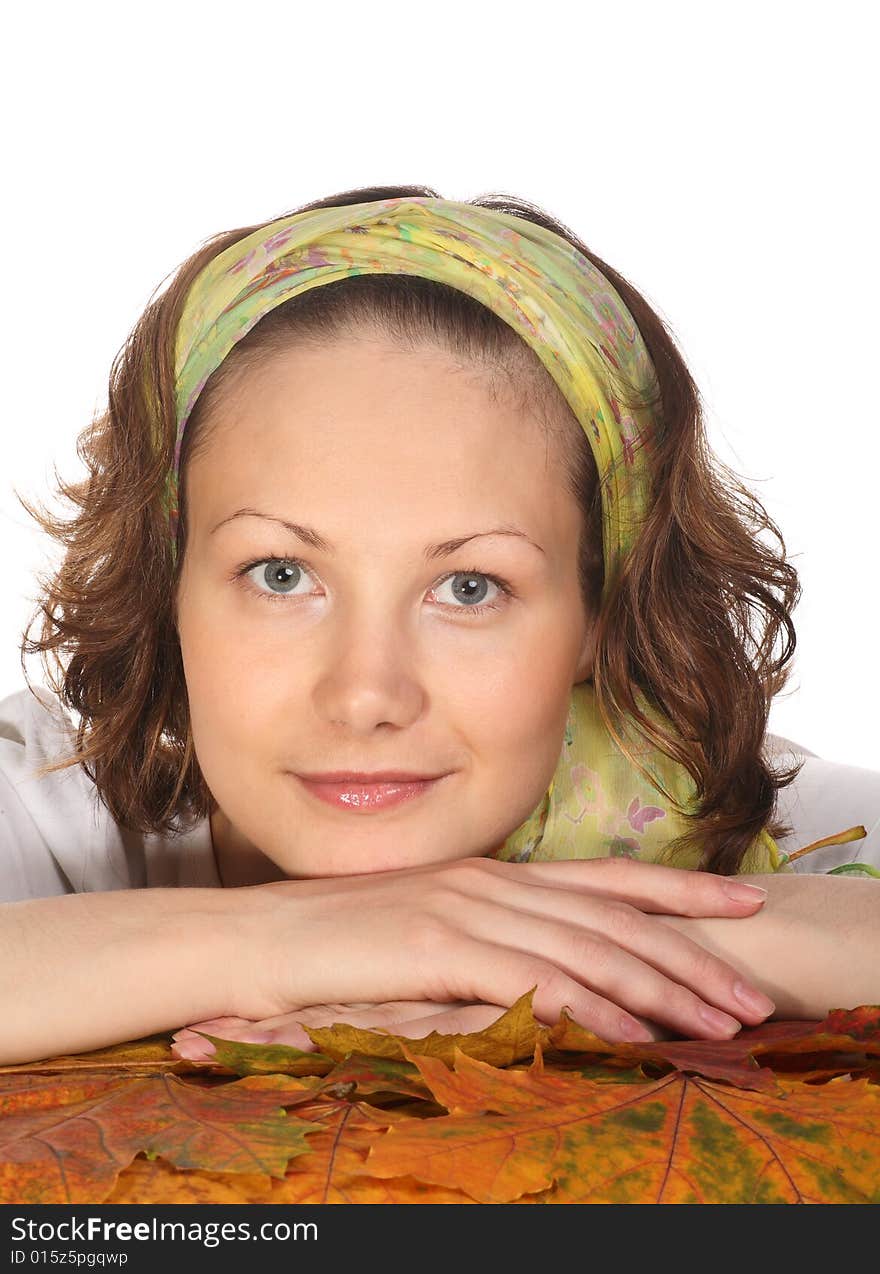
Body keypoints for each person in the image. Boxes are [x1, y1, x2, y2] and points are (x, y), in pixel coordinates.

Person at [1, 185, 878, 1070]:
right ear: (169, 587)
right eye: (281, 575)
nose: (366, 696)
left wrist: (597, 957)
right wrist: (278, 942)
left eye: (468, 587)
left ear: (597, 615)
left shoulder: (735, 804)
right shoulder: (48, 803)